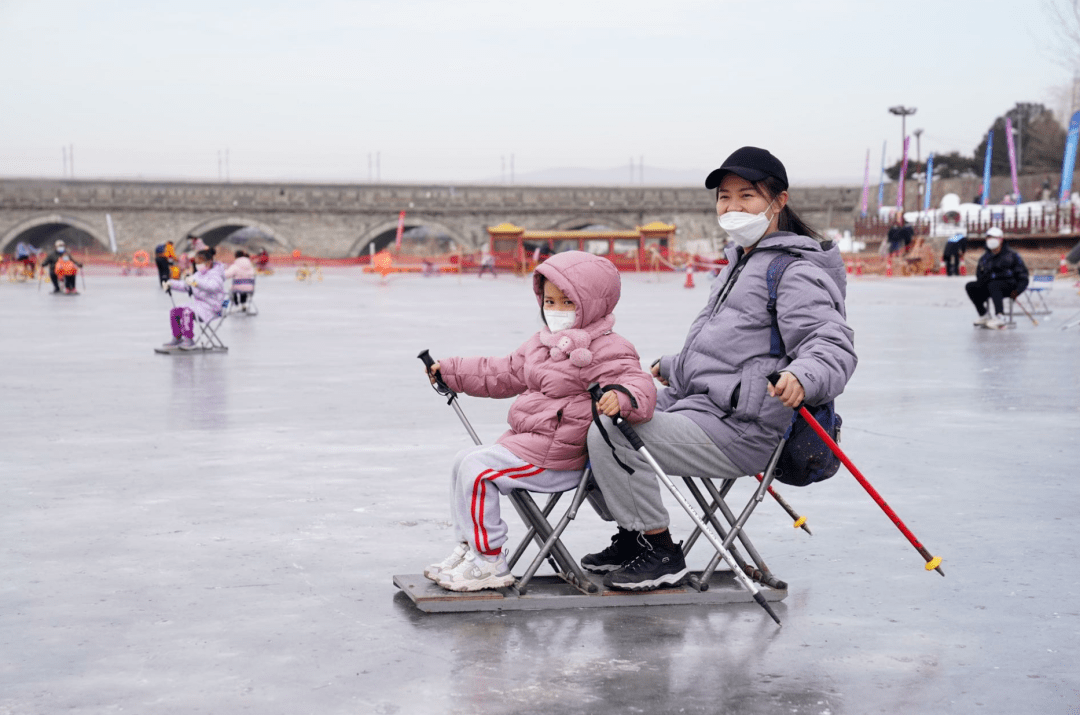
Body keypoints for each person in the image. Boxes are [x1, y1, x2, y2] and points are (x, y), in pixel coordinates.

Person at [581, 146, 857, 592]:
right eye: (724, 198)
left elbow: (830, 342)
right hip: (700, 407)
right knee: (587, 414)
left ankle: (660, 550)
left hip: (744, 428)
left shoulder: (792, 270)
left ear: (778, 201)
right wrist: (674, 366)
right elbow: (729, 349)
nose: (733, 207)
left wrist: (802, 377)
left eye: (747, 196)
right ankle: (632, 536)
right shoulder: (740, 263)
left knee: (611, 432)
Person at [422, 250, 657, 592]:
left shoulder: (610, 348)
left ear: (590, 304)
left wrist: (622, 398)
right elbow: (501, 372)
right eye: (549, 300)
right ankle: (469, 549)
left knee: (479, 469)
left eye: (567, 302)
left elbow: (639, 384)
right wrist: (453, 371)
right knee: (463, 461)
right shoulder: (541, 344)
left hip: (564, 455)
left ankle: (490, 561)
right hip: (531, 443)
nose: (556, 310)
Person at [160, 247, 227, 350]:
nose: (197, 265)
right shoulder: (198, 274)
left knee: (187, 311)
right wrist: (171, 283)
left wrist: (196, 283)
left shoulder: (216, 275)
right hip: (199, 305)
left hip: (212, 307)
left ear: (208, 262)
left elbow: (212, 287)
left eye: (200, 263)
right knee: (175, 311)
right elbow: (186, 285)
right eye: (196, 263)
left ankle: (188, 339)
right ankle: (177, 338)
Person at [966, 227, 1029, 329]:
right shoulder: (985, 257)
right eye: (988, 238)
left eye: (993, 238)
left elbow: (1023, 275)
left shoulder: (1011, 255)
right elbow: (979, 274)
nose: (990, 240)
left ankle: (1000, 316)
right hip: (989, 286)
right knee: (970, 286)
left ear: (1000, 239)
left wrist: (1018, 291)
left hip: (1008, 285)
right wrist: (982, 281)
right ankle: (984, 314)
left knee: (994, 284)